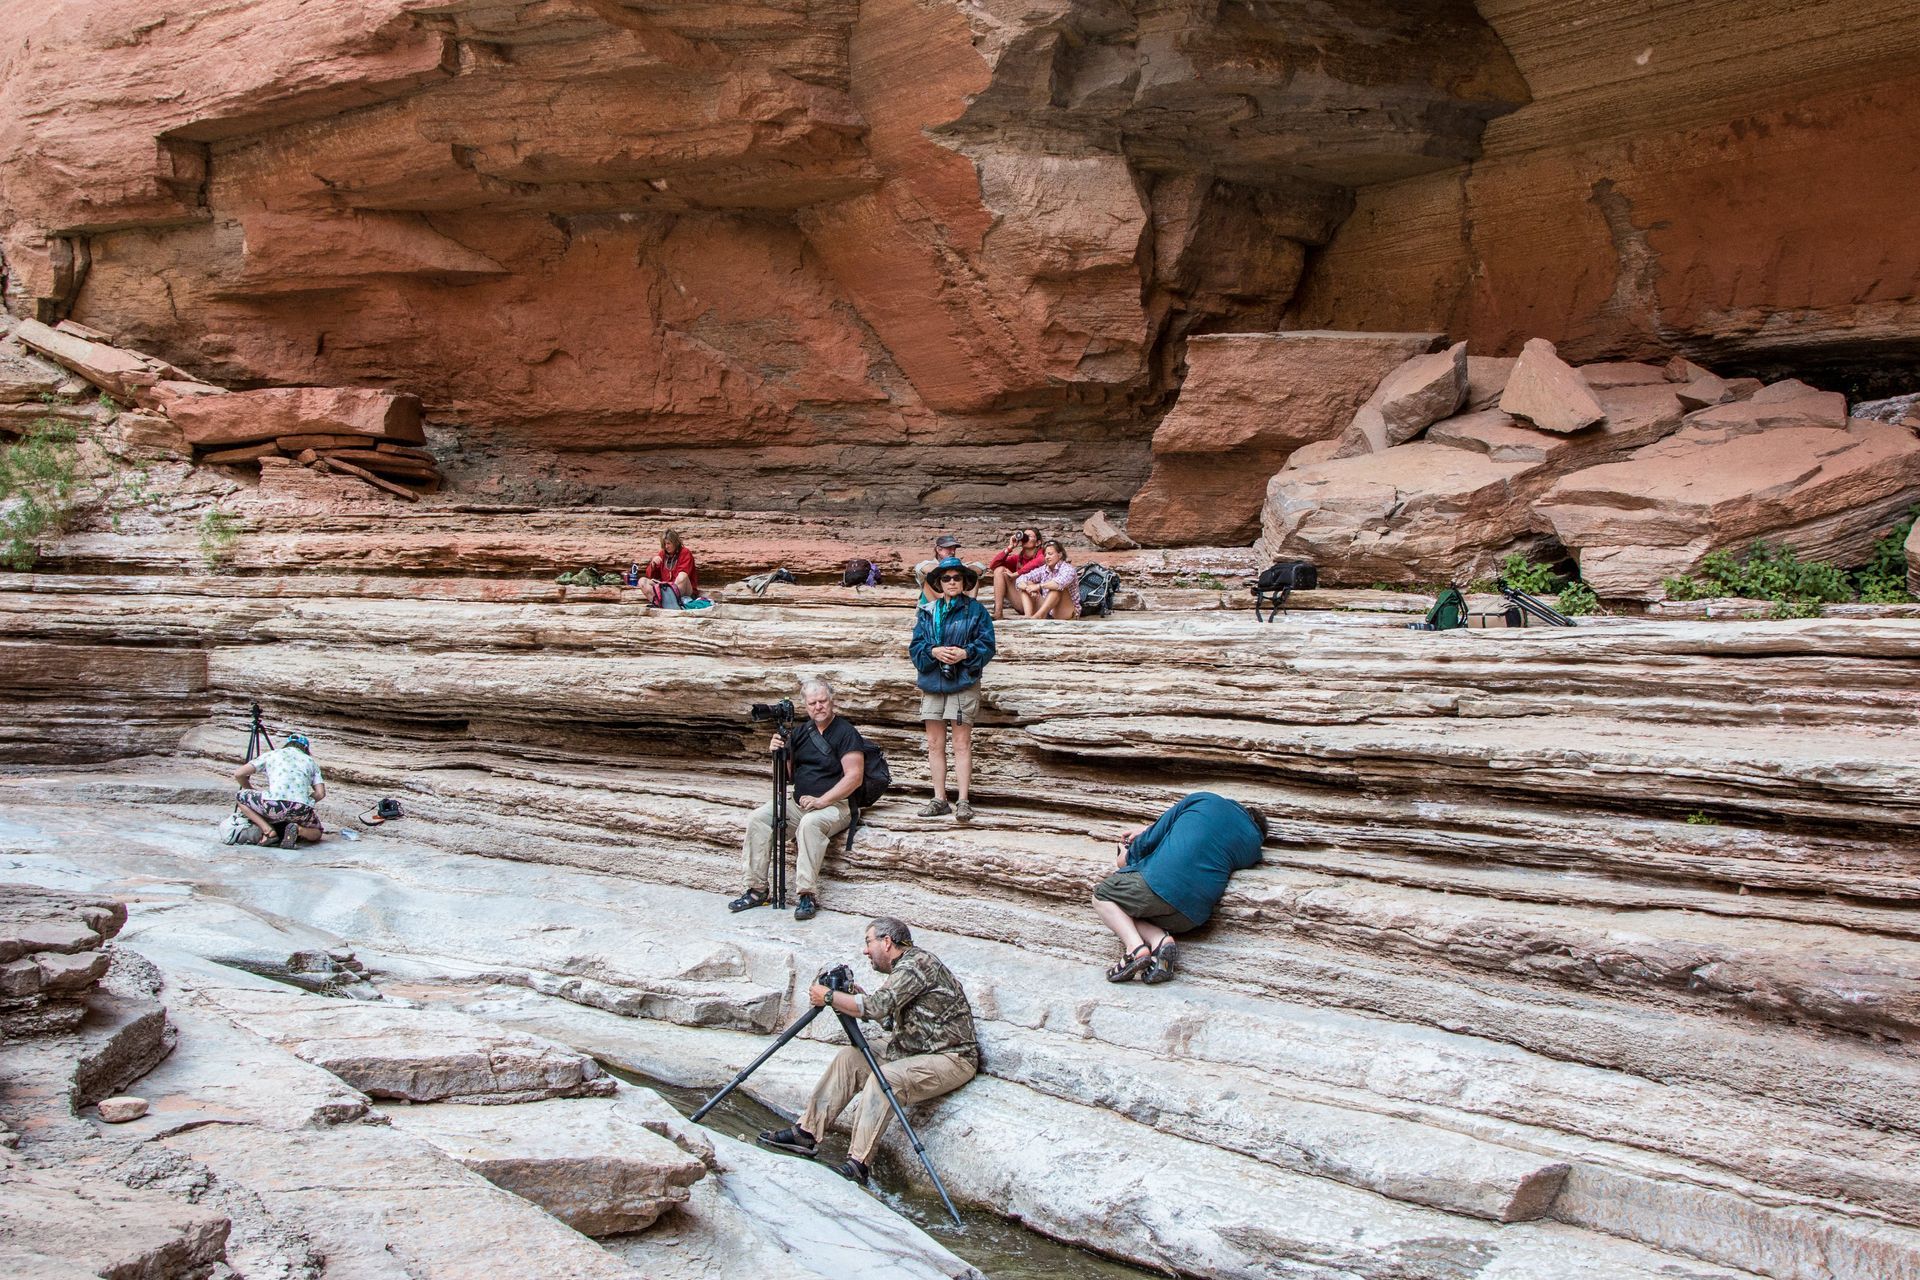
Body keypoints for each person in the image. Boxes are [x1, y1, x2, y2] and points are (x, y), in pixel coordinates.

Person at [758, 917, 978, 1186]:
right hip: (913, 1050)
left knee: (885, 1079)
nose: (865, 951)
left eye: (868, 942)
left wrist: (829, 996)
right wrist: (854, 997)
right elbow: (886, 1016)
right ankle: (806, 1133)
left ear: (887, 942)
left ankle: (858, 1164)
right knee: (849, 1058)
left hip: (952, 1058)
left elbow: (877, 1007)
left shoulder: (917, 965)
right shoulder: (905, 968)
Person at [1093, 791, 1266, 984]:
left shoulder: (1204, 800)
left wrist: (1126, 856)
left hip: (1156, 886)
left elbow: (1155, 836)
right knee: (1134, 909)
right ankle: (1160, 940)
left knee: (1103, 896)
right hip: (1191, 918)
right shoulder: (1253, 848)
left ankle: (1135, 949)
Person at [728, 678, 864, 922]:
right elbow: (788, 776)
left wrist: (822, 801)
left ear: (832, 701)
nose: (818, 707)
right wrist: (778, 753)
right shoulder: (801, 732)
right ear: (805, 705)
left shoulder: (846, 732)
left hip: (837, 805)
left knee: (810, 824)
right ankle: (757, 889)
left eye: (823, 701)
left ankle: (807, 894)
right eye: (812, 703)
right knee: (759, 819)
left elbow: (854, 777)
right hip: (800, 802)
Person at [909, 557, 995, 822]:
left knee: (961, 743)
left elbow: (987, 646)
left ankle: (963, 800)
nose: (952, 582)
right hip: (934, 681)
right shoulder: (927, 611)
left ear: (964, 582)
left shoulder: (976, 611)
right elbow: (915, 648)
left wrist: (965, 653)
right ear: (939, 583)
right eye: (946, 578)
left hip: (962, 682)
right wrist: (934, 651)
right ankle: (939, 798)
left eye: (957, 578)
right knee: (934, 743)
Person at [231, 733, 327, 848]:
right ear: (306, 749)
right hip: (300, 808)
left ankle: (269, 831)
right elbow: (321, 793)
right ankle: (299, 829)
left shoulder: (273, 754)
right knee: (317, 832)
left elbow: (238, 774)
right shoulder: (310, 761)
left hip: (273, 804)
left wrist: (250, 790)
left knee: (240, 796)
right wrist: (306, 801)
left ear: (286, 744)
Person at [1012, 539, 1079, 619]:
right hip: (1048, 610)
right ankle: (1028, 616)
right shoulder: (1044, 569)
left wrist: (1038, 586)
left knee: (1056, 588)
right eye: (1045, 555)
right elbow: (1021, 578)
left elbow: (1059, 583)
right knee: (1027, 583)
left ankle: (1038, 616)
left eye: (1050, 554)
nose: (1047, 557)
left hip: (1066, 611)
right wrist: (1028, 588)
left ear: (1060, 555)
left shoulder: (1068, 569)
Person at [985, 528, 1043, 620]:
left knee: (1029, 582)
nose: (1026, 537)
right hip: (1021, 601)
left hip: (1038, 602)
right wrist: (1009, 548)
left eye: (1030, 536)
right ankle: (998, 613)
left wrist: (1016, 574)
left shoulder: (1043, 555)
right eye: (1025, 535)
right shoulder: (1018, 559)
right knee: (999, 570)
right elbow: (993, 565)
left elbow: (1037, 562)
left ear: (1038, 542)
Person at [644, 530, 700, 604]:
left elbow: (683, 576)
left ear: (675, 542)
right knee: (642, 581)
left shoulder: (685, 552)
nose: (666, 546)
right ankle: (658, 603)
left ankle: (672, 601)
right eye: (664, 544)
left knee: (682, 576)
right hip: (667, 589)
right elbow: (650, 576)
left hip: (684, 591)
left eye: (668, 543)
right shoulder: (662, 554)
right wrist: (653, 564)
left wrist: (667, 585)